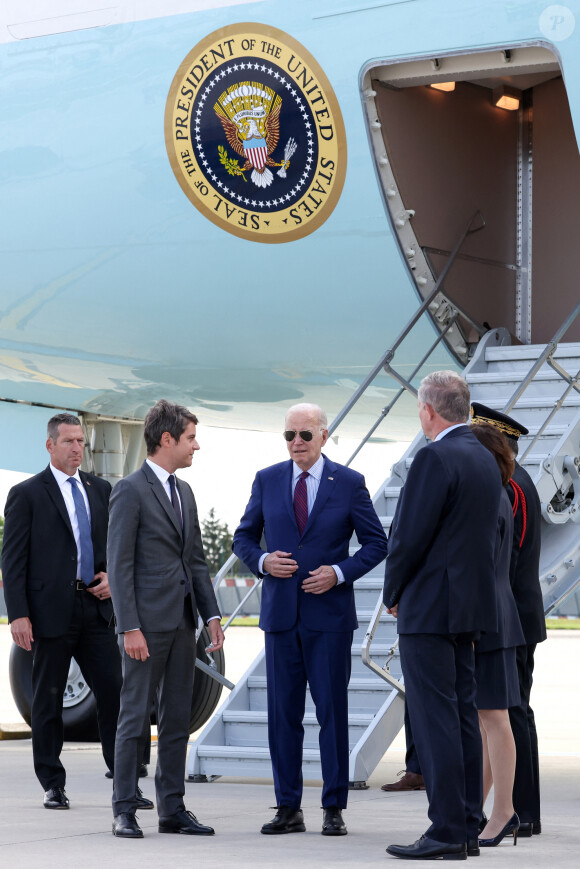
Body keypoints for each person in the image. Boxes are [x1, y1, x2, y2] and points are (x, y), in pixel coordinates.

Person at [233, 402, 388, 837]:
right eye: (289, 436)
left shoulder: (350, 483)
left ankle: (333, 807)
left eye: (304, 435)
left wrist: (338, 573)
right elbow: (242, 537)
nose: (296, 443)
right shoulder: (267, 480)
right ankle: (288, 807)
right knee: (282, 716)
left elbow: (377, 544)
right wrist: (263, 561)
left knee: (331, 714)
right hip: (281, 618)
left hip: (329, 619)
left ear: (324, 435)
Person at [383, 371, 502, 861]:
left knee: (435, 722)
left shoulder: (434, 456)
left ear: (429, 410)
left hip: (430, 607)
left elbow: (409, 536)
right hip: (467, 607)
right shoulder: (483, 456)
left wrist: (393, 592)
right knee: (461, 717)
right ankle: (468, 824)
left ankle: (447, 829)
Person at [107, 399, 224, 839]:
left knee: (178, 719)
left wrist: (211, 615)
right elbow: (119, 566)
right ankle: (124, 809)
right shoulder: (130, 490)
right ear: (167, 439)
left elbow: (195, 561)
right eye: (191, 437)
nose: (197, 446)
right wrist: (128, 626)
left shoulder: (185, 492)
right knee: (134, 718)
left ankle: (171, 809)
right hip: (144, 627)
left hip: (181, 624)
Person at [1, 413, 122, 810]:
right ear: (50, 445)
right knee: (48, 700)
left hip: (95, 607)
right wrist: (18, 614)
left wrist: (111, 578)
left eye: (80, 442)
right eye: (68, 441)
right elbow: (13, 559)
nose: (76, 449)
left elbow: (113, 548)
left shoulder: (100, 489)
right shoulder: (27, 493)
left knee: (113, 691)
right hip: (49, 612)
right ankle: (52, 783)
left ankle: (123, 779)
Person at [470, 402, 546, 837]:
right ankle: (518, 811)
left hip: (510, 618)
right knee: (510, 713)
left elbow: (505, 559)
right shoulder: (517, 481)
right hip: (517, 615)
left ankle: (521, 812)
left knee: (512, 714)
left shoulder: (511, 487)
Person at [470, 421, 525, 847]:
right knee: (487, 718)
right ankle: (483, 806)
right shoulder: (498, 494)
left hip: (488, 618)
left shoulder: (491, 498)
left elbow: (482, 567)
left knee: (494, 718)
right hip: (494, 615)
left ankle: (503, 811)